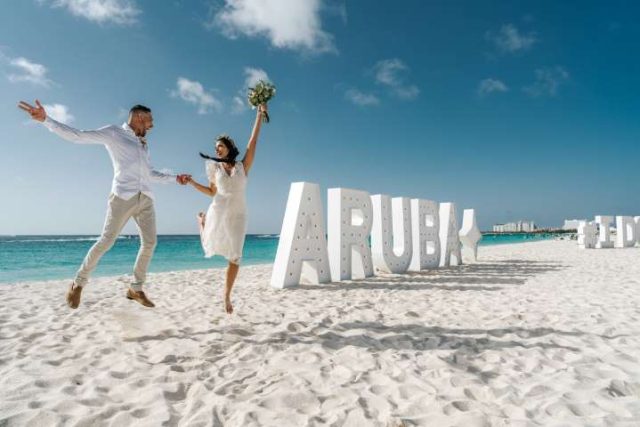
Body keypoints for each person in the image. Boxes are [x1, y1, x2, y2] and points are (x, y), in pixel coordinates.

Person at [17, 100, 191, 309]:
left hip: (145, 198)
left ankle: (135, 288)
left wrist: (175, 179)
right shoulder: (114, 133)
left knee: (150, 243)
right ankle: (78, 284)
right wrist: (46, 119)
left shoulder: (143, 143)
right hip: (122, 197)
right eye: (150, 121)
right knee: (106, 241)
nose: (152, 126)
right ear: (139, 118)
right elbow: (77, 135)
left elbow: (149, 173)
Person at [186, 104, 267, 314]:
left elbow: (253, 141)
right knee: (211, 242)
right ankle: (203, 223)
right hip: (220, 209)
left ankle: (226, 296)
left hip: (239, 213)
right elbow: (213, 191)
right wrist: (194, 183)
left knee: (236, 256)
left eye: (220, 146)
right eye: (215, 147)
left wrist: (259, 114)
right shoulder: (214, 167)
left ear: (229, 146)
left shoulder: (242, 166)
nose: (217, 149)